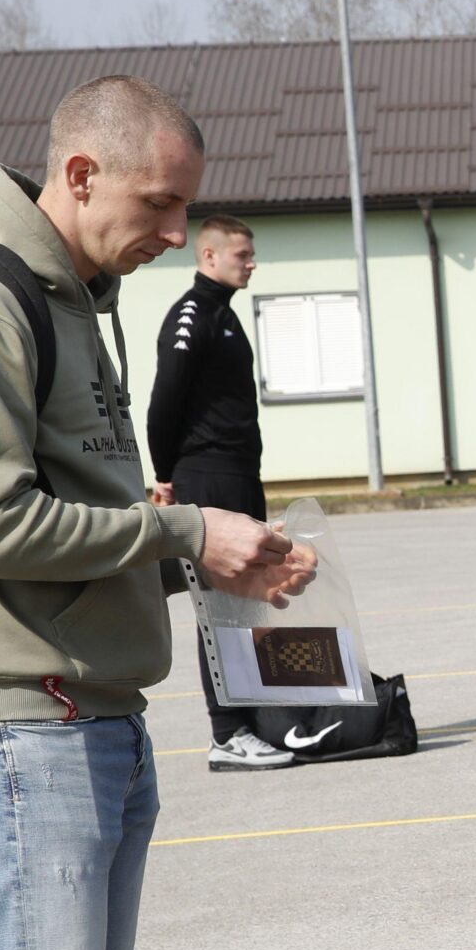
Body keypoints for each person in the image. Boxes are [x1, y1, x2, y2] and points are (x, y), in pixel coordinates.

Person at [0, 75, 310, 950]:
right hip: (34, 728)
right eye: (160, 203)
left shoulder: (74, 295)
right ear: (78, 175)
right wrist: (180, 532)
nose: (178, 233)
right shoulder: (6, 294)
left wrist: (172, 528)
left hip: (98, 718)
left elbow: (72, 496)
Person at [146, 214, 290, 771]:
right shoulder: (192, 316)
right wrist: (166, 474)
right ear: (209, 256)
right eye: (242, 255)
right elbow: (165, 399)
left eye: (251, 255)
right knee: (220, 606)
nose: (251, 264)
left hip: (239, 474)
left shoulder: (225, 315)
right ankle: (228, 734)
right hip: (205, 476)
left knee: (249, 601)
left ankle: (258, 721)